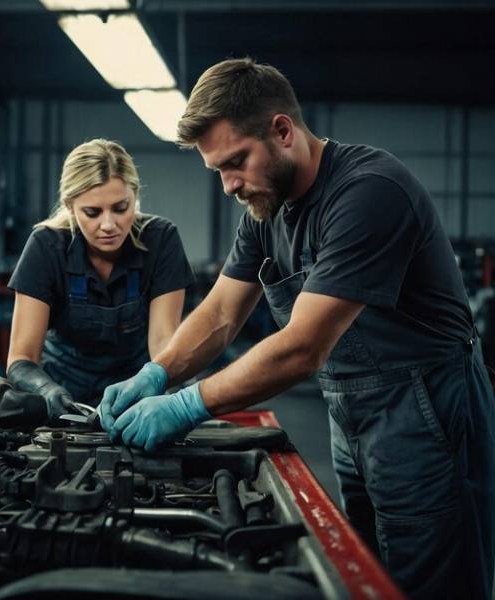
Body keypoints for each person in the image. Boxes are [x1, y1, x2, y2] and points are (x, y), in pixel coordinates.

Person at [98, 59, 495, 599]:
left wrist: (185, 405)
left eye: (236, 162)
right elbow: (219, 314)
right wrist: (157, 372)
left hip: (426, 411)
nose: (229, 186)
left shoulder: (368, 192)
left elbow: (304, 347)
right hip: (352, 415)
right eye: (217, 170)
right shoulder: (267, 209)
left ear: (282, 130)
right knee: (366, 575)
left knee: (430, 581)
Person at [6, 138, 194, 421]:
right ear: (70, 206)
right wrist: (46, 391)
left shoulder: (160, 239)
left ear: (135, 196)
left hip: (135, 394)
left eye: (121, 208)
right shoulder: (46, 246)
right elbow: (21, 357)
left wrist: (160, 398)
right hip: (63, 396)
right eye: (92, 213)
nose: (109, 225)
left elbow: (163, 344)